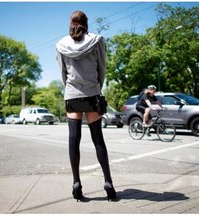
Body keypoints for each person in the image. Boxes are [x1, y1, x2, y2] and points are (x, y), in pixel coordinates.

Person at [56, 10, 116, 201]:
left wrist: (70, 87)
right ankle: (108, 182)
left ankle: (76, 182)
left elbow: (63, 72)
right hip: (92, 93)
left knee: (74, 139)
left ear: (70, 23)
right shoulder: (97, 40)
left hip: (72, 94)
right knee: (98, 138)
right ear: (86, 23)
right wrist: (97, 86)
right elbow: (102, 67)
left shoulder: (61, 44)